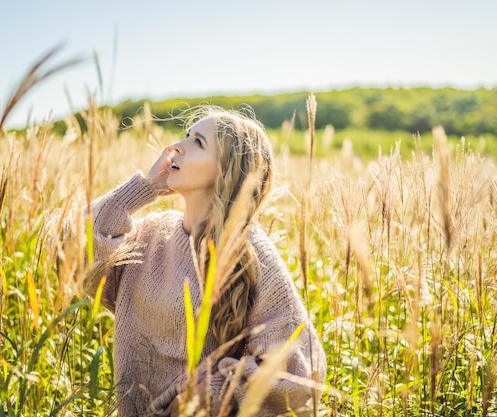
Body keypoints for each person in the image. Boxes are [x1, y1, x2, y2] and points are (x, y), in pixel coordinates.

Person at [83, 105, 326, 416]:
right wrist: (143, 189)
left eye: (197, 142)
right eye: (185, 136)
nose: (175, 149)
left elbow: (301, 372)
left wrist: (214, 392)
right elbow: (70, 247)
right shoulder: (151, 235)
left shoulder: (251, 252)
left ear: (227, 170)